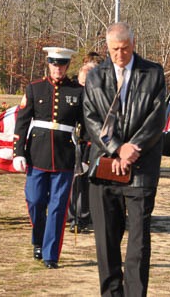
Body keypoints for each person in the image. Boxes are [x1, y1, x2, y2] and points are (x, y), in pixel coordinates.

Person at [83, 23, 166, 296]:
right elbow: (91, 119)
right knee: (106, 241)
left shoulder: (153, 73)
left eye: (125, 49)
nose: (120, 55)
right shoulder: (95, 77)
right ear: (107, 48)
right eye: (114, 50)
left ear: (133, 44)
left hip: (140, 167)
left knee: (138, 242)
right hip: (105, 167)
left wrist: (132, 149)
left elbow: (156, 119)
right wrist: (117, 149)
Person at [12, 47, 84, 269]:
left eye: (61, 65)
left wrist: (86, 154)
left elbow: (86, 126)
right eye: (54, 64)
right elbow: (22, 122)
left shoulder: (78, 92)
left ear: (67, 66)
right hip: (37, 154)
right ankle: (39, 239)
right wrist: (18, 152)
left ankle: (50, 254)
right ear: (48, 64)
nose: (57, 69)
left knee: (58, 207)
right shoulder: (35, 88)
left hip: (64, 156)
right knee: (34, 201)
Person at [67, 51, 104, 233]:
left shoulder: (100, 93)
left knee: (89, 181)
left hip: (92, 142)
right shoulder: (73, 91)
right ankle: (75, 216)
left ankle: (85, 215)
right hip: (76, 141)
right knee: (75, 182)